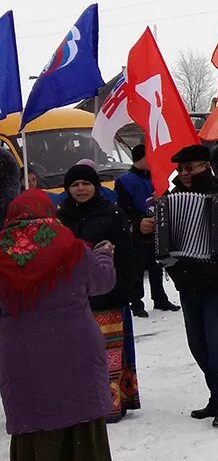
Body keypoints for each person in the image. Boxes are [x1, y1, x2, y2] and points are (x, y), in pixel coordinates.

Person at [0, 190, 118, 461]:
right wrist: (105, 256)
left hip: (20, 351)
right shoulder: (71, 248)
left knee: (36, 421)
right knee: (81, 416)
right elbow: (102, 283)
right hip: (74, 346)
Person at [134, 144, 218, 428]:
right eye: (180, 169)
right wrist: (143, 228)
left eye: (190, 168)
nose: (184, 173)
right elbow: (160, 239)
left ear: (205, 165)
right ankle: (217, 396)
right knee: (199, 345)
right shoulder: (171, 198)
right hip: (188, 281)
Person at [57, 164, 140, 422]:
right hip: (73, 299)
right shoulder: (60, 220)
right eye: (75, 185)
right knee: (77, 353)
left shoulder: (112, 214)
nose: (81, 189)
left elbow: (128, 257)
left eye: (86, 184)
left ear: (95, 186)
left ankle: (113, 404)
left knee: (110, 352)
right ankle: (82, 402)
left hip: (109, 296)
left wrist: (128, 291)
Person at [115, 144, 179, 314]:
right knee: (136, 268)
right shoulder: (124, 181)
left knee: (156, 265)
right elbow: (124, 208)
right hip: (137, 231)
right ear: (141, 158)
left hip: (158, 229)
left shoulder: (157, 177)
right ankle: (136, 302)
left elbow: (169, 199)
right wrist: (140, 221)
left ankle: (160, 298)